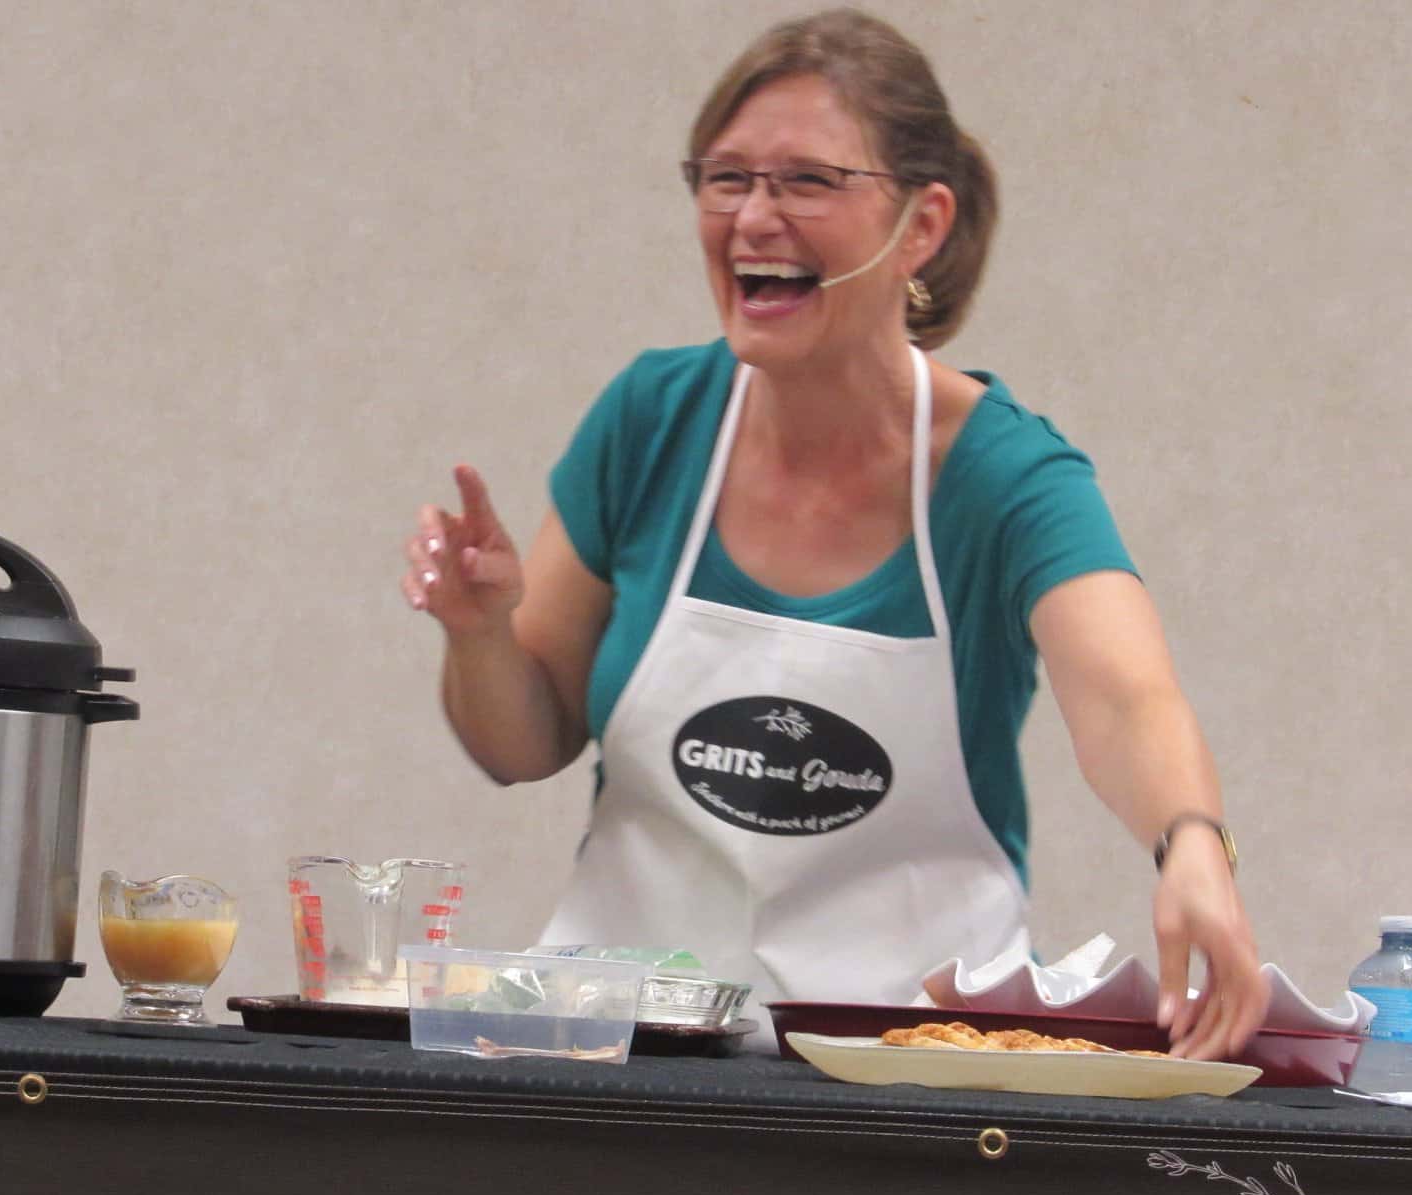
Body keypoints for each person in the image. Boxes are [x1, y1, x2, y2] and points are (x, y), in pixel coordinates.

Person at [404, 8, 1267, 1060]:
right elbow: (522, 741)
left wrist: (1192, 849)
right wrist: (481, 632)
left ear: (922, 225)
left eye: (808, 181)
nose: (754, 219)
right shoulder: (650, 421)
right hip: (624, 1065)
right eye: (726, 180)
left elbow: (1129, 700)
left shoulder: (1005, 475)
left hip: (902, 1090)